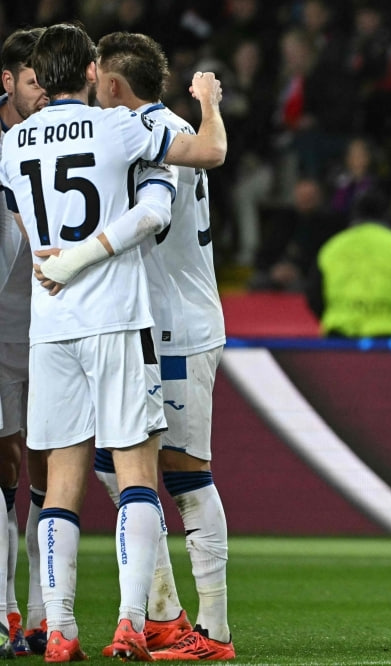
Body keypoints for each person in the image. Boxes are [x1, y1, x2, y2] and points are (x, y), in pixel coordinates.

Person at [0, 22, 225, 662]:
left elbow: (23, 220)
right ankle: (131, 622)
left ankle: (61, 629)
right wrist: (208, 102)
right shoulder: (119, 127)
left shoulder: (13, 142)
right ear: (90, 75)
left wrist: (58, 260)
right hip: (118, 318)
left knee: (60, 485)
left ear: (41, 77)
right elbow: (204, 154)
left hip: (50, 325)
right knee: (136, 476)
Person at [88, 31, 235, 661]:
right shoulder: (160, 129)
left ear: (115, 85)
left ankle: (214, 631)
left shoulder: (155, 132)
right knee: (111, 465)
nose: (94, 91)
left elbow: (152, 218)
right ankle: (165, 614)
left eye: (97, 82)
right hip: (154, 323)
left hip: (179, 325)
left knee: (185, 474)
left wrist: (77, 257)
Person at [0, 26, 48, 658]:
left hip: (57, 320)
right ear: (6, 82)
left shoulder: (67, 134)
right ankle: (5, 609)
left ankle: (42, 613)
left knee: (49, 467)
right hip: (3, 323)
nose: (45, 92)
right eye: (33, 81)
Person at [304, 188, 391, 338]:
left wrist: (335, 318)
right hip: (387, 337)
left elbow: (313, 294)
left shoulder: (333, 247)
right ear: (386, 215)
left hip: (340, 338)